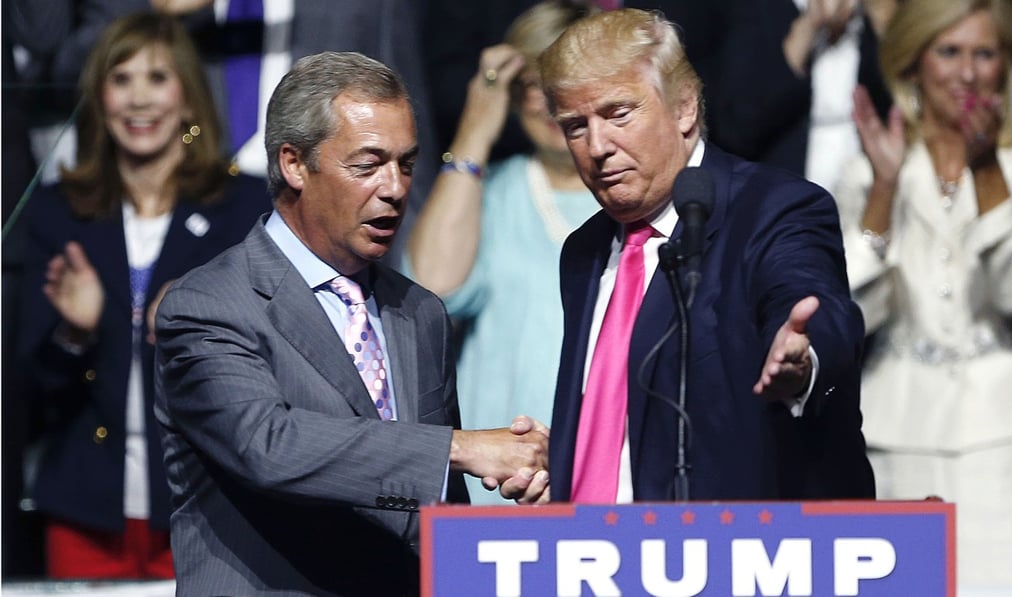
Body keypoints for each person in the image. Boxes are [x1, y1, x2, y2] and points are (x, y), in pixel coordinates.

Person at [153, 51, 550, 596]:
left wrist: (518, 485)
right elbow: (268, 445)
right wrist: (459, 447)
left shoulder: (420, 312)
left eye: (406, 164)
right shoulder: (210, 304)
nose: (395, 187)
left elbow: (436, 503)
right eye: (367, 165)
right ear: (294, 163)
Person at [534, 8, 875, 504]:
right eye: (575, 126)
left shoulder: (774, 208)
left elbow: (809, 299)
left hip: (743, 558)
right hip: (594, 563)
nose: (598, 146)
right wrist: (567, 461)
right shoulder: (584, 251)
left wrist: (803, 358)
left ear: (684, 109)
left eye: (617, 113)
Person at [15, 12, 270, 579]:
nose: (139, 99)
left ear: (187, 97)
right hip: (85, 508)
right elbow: (29, 393)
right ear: (99, 99)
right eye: (120, 79)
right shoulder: (59, 212)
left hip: (211, 505)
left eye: (157, 78)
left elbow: (274, 366)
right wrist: (74, 334)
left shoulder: (245, 207)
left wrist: (201, 314)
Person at [833, 0, 1012, 589]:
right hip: (897, 434)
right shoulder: (869, 171)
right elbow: (851, 317)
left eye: (983, 54)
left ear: (1005, 67)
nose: (967, 73)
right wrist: (884, 193)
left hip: (1006, 437)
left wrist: (988, 170)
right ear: (914, 64)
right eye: (949, 52)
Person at [407, 0, 598, 506]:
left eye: (565, 80)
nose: (548, 102)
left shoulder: (637, 201)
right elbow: (431, 288)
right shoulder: (493, 194)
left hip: (607, 491)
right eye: (531, 85)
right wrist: (475, 129)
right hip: (498, 490)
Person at [711, 0, 895, 195]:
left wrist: (883, 23)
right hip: (784, 199)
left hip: (865, 193)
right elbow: (737, 128)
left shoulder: (873, 12)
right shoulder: (756, 10)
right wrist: (809, 26)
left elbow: (900, 101)